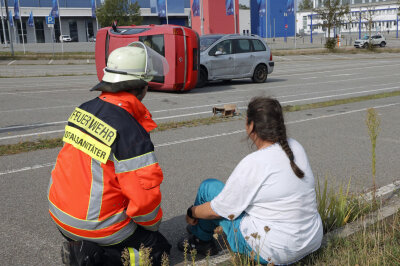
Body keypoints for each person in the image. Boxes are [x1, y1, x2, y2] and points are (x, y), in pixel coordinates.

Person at [48, 43, 171, 266]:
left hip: (59, 213)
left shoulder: (84, 109)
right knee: (158, 252)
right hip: (97, 225)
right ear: (141, 87)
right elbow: (144, 204)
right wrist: (152, 227)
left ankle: (79, 245)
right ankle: (95, 258)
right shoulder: (130, 130)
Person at [178, 97, 323, 265]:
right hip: (311, 240)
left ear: (251, 125)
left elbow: (219, 209)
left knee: (209, 188)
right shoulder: (295, 146)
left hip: (275, 252)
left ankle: (201, 241)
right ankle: (202, 236)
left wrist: (192, 212)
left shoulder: (254, 162)